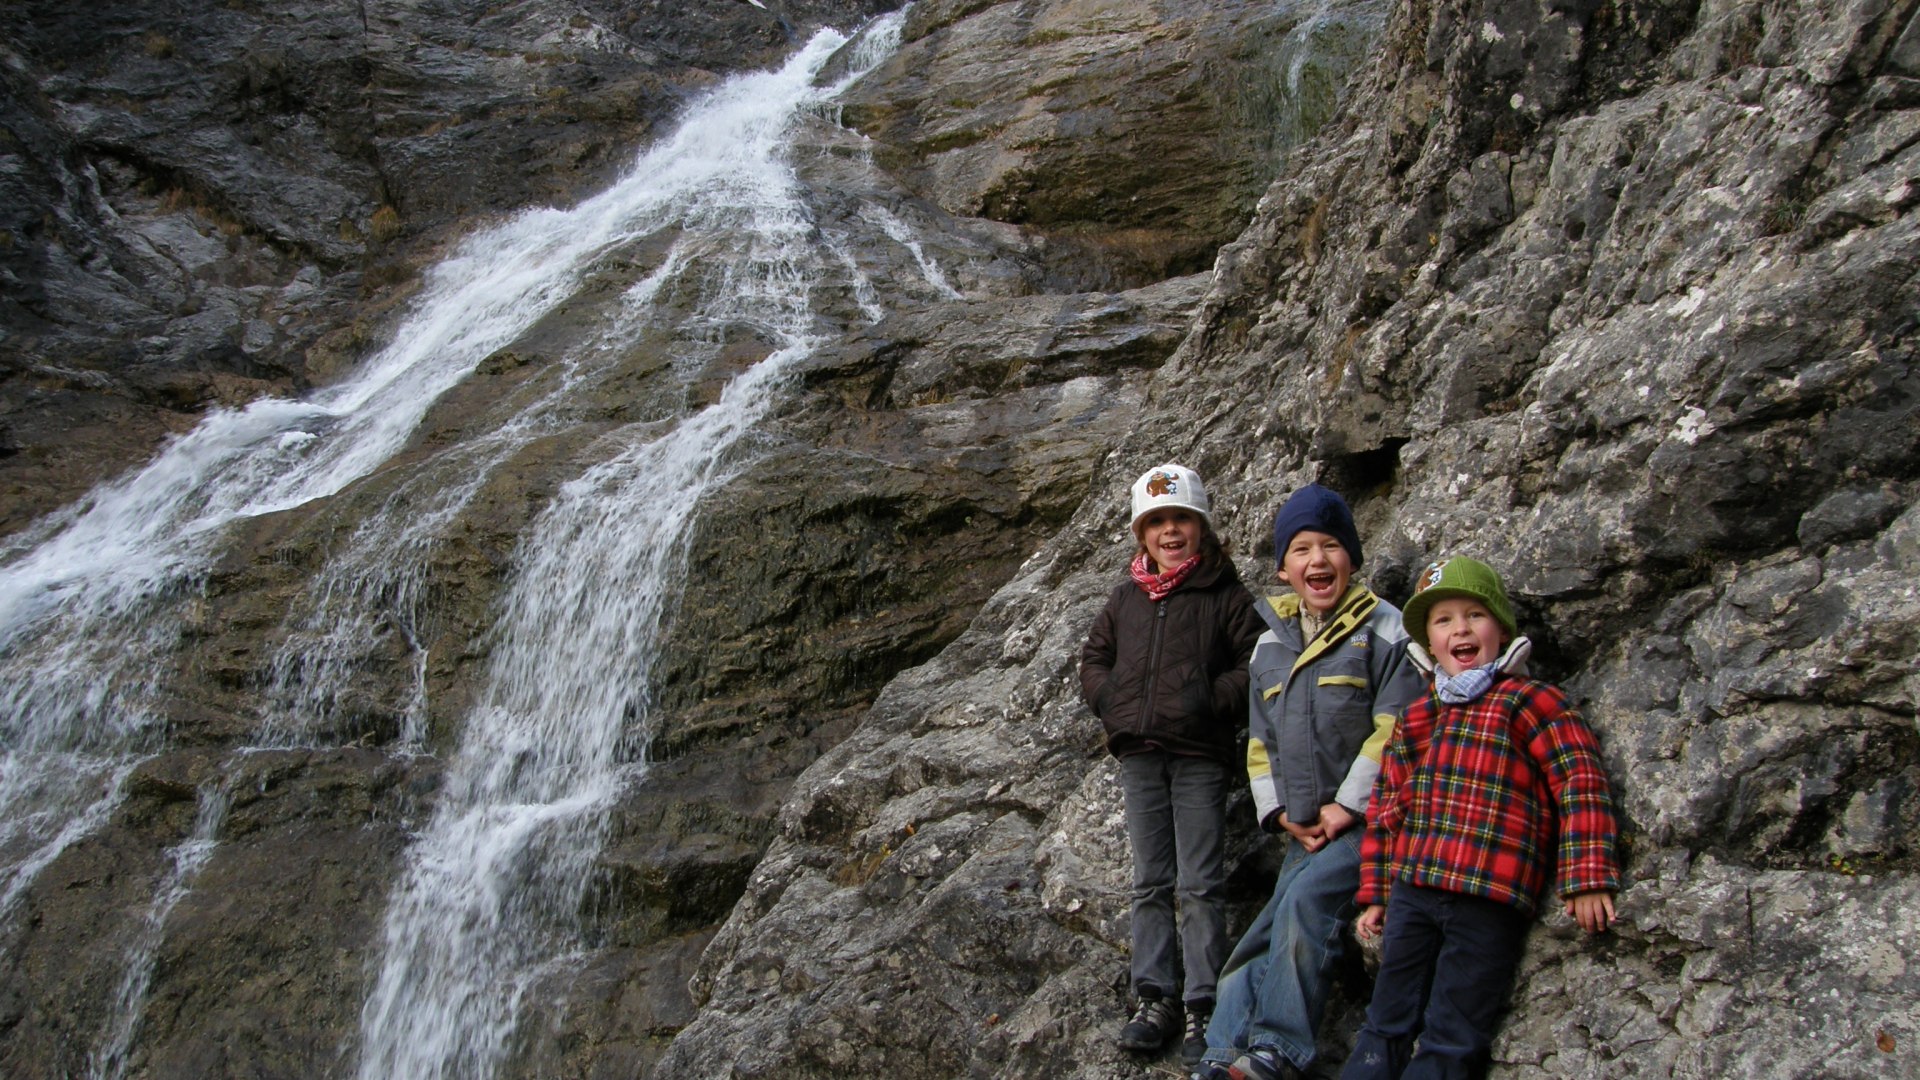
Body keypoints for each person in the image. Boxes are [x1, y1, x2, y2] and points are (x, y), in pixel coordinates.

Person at [1341, 556, 1622, 1080]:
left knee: (1455, 1032)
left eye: (1475, 615)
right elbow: (1385, 809)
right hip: (1414, 890)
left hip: (1490, 897)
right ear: (1428, 641)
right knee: (1386, 1020)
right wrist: (1377, 893)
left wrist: (1586, 877)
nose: (1460, 629)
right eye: (1443, 620)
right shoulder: (1419, 716)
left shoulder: (1531, 701)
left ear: (1501, 628)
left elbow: (1579, 781)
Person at [1194, 484, 1425, 1080]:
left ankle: (1277, 1051)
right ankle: (1223, 1056)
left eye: (1330, 546)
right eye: (1301, 549)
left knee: (1303, 903)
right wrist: (1280, 815)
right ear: (1283, 567)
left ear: (1352, 557)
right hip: (1302, 828)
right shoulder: (1269, 642)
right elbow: (1260, 742)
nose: (1317, 561)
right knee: (1259, 935)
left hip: (1368, 825)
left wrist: (1347, 807)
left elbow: (1394, 730)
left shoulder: (1386, 629)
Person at [1081, 464, 1265, 1066]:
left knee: (1201, 882)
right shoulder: (1125, 596)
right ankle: (1155, 995)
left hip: (1200, 756)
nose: (1169, 530)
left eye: (1181, 517)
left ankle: (1204, 1001)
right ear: (1141, 533)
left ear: (1201, 526)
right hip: (1139, 754)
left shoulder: (1226, 593)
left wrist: (1211, 703)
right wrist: (1111, 701)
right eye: (1156, 520)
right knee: (1150, 881)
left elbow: (1256, 662)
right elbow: (1094, 658)